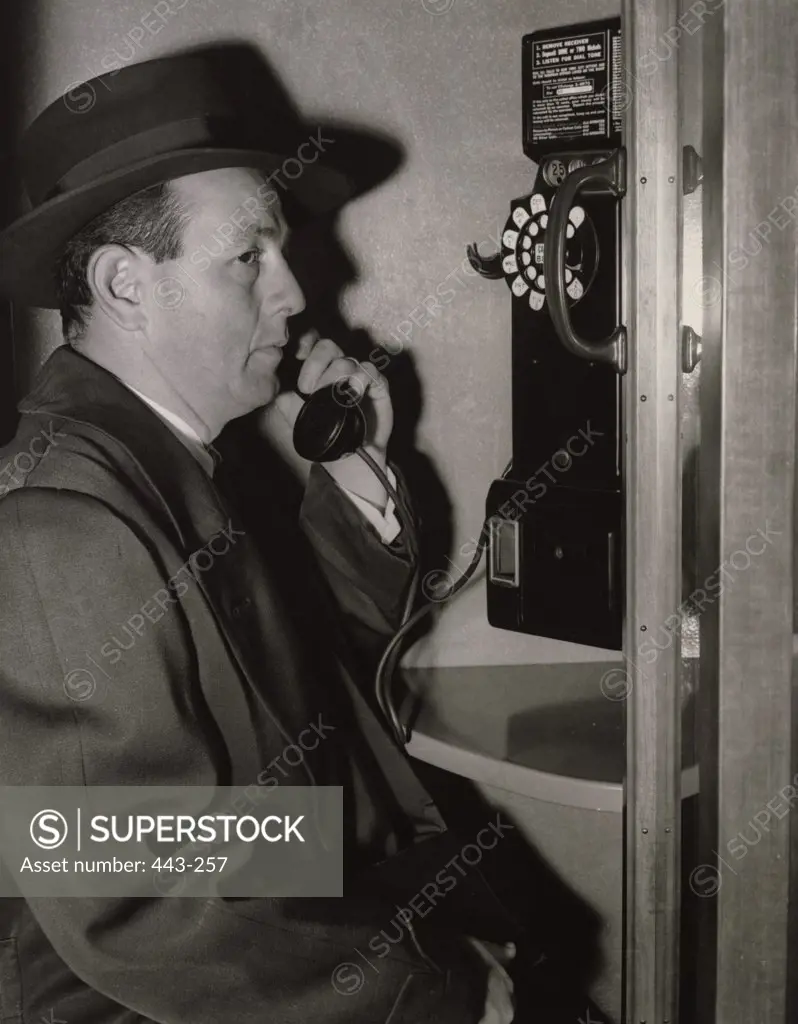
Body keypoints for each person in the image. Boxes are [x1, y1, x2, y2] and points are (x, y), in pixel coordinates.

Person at [0, 51, 518, 1023]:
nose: (294, 292)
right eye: (249, 257)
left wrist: (353, 470)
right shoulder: (61, 531)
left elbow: (306, 687)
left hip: (302, 917)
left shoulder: (177, 459)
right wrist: (436, 992)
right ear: (125, 284)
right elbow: (142, 902)